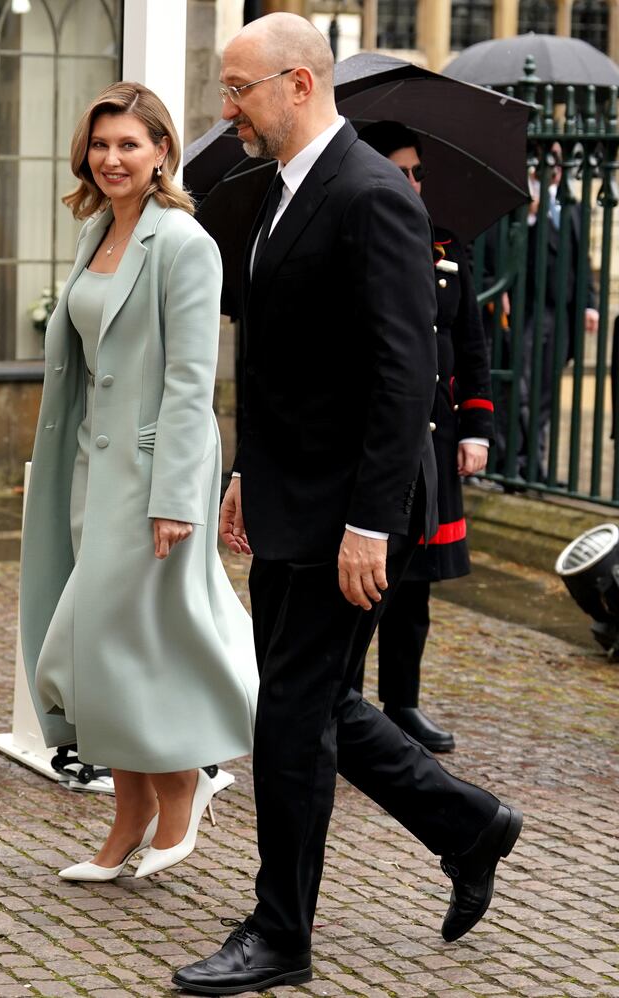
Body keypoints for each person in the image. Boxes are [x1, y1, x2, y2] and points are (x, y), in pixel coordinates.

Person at [173, 15, 522, 996]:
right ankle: (469, 824)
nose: (227, 109)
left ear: (296, 82)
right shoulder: (279, 192)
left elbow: (403, 376)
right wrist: (248, 470)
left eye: (238, 88)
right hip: (288, 497)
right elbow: (279, 361)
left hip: (351, 515)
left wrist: (370, 524)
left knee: (289, 718)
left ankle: (280, 932)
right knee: (316, 701)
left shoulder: (372, 195)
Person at [19, 82, 258, 885]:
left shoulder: (185, 243)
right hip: (94, 468)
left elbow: (192, 382)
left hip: (156, 476)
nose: (111, 158)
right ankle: (128, 820)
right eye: (100, 143)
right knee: (105, 648)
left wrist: (174, 498)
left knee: (117, 643)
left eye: (129, 144)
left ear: (162, 152)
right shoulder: (97, 229)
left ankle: (183, 782)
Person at [356, 121, 495, 753]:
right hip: (379, 436)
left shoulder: (445, 242)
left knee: (414, 587)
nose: (412, 182)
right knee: (365, 583)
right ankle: (347, 705)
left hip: (436, 437)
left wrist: (477, 428)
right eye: (400, 171)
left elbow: (472, 344)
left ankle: (402, 703)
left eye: (418, 172)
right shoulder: (360, 235)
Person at [521, 141, 599, 482]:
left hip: (563, 313)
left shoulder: (573, 206)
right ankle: (520, 462)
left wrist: (589, 304)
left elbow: (583, 261)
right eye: (548, 156)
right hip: (529, 311)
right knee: (523, 388)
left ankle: (538, 465)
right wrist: (530, 216)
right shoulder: (522, 203)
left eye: (558, 157)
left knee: (547, 392)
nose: (554, 164)